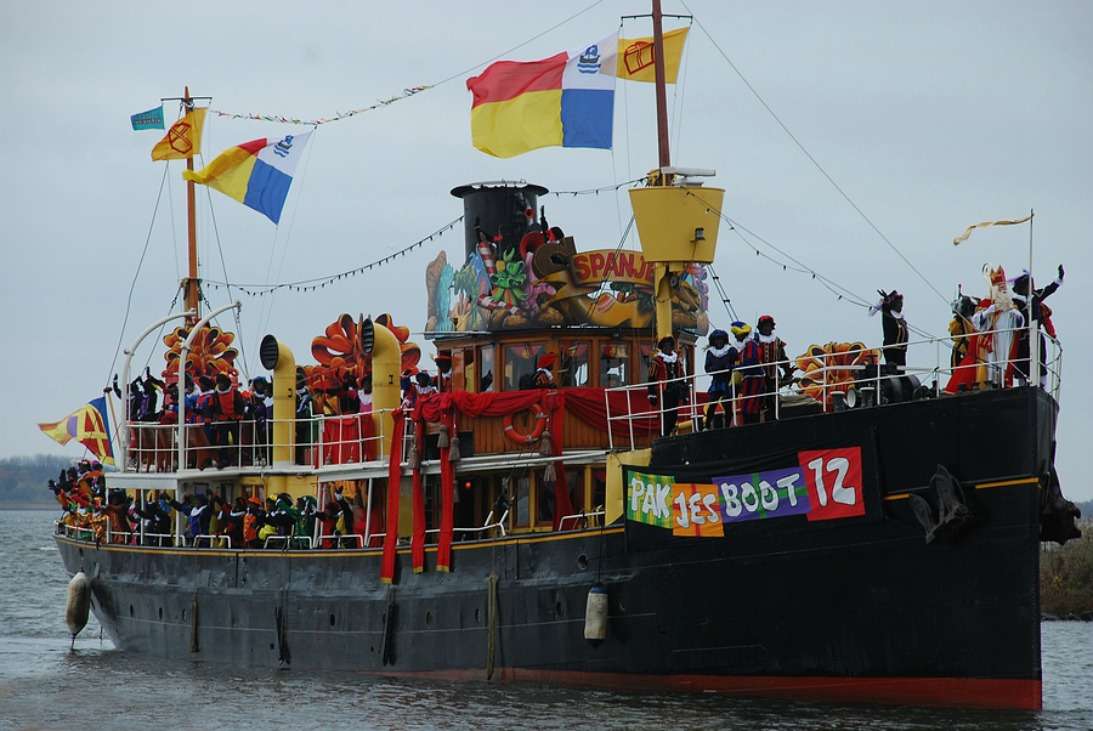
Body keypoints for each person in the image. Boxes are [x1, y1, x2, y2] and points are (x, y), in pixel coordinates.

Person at [1011, 265, 1064, 386]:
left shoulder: (1035, 297)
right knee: (1022, 362)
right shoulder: (1015, 302)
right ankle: (1022, 385)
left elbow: (1049, 289)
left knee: (1040, 360)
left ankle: (1041, 385)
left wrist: (1059, 278)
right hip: (1022, 337)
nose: (1032, 286)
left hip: (1036, 334)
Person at [753, 315, 792, 421]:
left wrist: (788, 371)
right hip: (759, 374)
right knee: (760, 397)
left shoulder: (777, 341)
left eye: (769, 325)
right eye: (764, 326)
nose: (767, 328)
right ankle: (760, 419)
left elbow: (783, 357)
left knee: (774, 397)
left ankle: (774, 418)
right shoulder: (755, 341)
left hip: (773, 374)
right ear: (760, 327)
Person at [647, 335, 686, 436]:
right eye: (666, 346)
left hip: (675, 391)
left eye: (670, 346)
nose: (668, 348)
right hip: (664, 391)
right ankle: (664, 434)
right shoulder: (657, 361)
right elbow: (651, 377)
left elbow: (681, 376)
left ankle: (669, 433)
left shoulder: (676, 360)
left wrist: (685, 393)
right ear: (662, 348)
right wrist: (652, 393)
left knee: (673, 414)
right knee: (665, 414)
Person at [703, 329, 734, 429]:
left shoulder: (730, 350)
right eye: (716, 339)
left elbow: (736, 362)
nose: (719, 341)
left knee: (727, 404)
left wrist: (730, 366)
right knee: (712, 404)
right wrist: (716, 369)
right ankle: (707, 425)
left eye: (720, 339)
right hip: (716, 382)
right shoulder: (711, 352)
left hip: (727, 381)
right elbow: (707, 368)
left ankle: (728, 425)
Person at [212, 373, 245, 467]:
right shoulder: (216, 395)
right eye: (219, 383)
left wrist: (239, 415)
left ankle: (238, 458)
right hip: (222, 420)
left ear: (226, 383)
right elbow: (213, 407)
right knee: (223, 440)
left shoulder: (235, 393)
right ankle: (224, 459)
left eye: (222, 383)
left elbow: (240, 404)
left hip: (234, 420)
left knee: (237, 439)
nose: (220, 385)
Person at [870, 291, 909, 368]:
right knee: (892, 370)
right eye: (899, 303)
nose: (900, 306)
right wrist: (884, 300)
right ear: (894, 304)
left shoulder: (901, 316)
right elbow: (871, 313)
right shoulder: (887, 311)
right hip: (891, 348)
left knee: (901, 372)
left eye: (901, 304)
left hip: (902, 349)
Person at [949, 294, 977, 369]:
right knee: (957, 371)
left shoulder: (971, 321)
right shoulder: (956, 322)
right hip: (960, 349)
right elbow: (953, 332)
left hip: (970, 349)